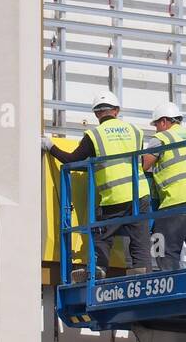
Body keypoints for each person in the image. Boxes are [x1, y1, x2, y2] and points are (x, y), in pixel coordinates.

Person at [43, 91, 152, 278]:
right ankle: (142, 276)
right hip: (139, 193)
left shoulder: (94, 135)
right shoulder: (136, 131)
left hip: (114, 196)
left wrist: (49, 145)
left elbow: (72, 159)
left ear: (96, 114)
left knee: (101, 236)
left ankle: (98, 269)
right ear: (116, 111)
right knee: (140, 238)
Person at [141, 103, 186, 271]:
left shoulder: (162, 139)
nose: (156, 129)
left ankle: (169, 281)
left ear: (164, 121)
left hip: (176, 201)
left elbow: (142, 165)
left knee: (161, 243)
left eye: (156, 125)